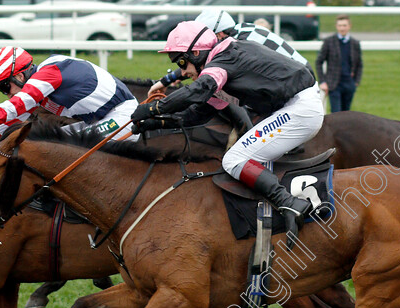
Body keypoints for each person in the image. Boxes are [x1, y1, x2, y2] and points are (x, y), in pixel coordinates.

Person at [131, 21, 324, 243]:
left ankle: (290, 204)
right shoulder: (221, 65)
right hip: (295, 107)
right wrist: (156, 123)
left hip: (300, 109)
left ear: (196, 52)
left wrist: (153, 108)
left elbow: (197, 90)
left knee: (234, 160)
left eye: (182, 62)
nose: (182, 72)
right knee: (239, 156)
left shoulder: (223, 61)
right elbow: (196, 115)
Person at [0, 46, 139, 148]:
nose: (8, 93)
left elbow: (10, 110)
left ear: (19, 75)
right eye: (1, 90)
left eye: (5, 86)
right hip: (102, 119)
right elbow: (7, 124)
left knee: (60, 149)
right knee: (40, 144)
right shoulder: (38, 87)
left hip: (124, 117)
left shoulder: (50, 73)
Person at [147, 9, 314, 98]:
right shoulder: (241, 30)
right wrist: (167, 80)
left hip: (300, 88)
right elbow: (198, 60)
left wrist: (168, 81)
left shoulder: (238, 44)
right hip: (297, 80)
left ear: (218, 35)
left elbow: (205, 62)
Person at [316, 15, 363, 113]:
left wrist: (356, 81)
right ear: (336, 26)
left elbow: (359, 63)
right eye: (340, 25)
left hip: (349, 83)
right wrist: (323, 81)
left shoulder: (355, 43)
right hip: (334, 84)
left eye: (344, 25)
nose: (342, 28)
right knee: (336, 113)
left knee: (346, 113)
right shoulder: (329, 42)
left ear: (349, 26)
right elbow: (319, 61)